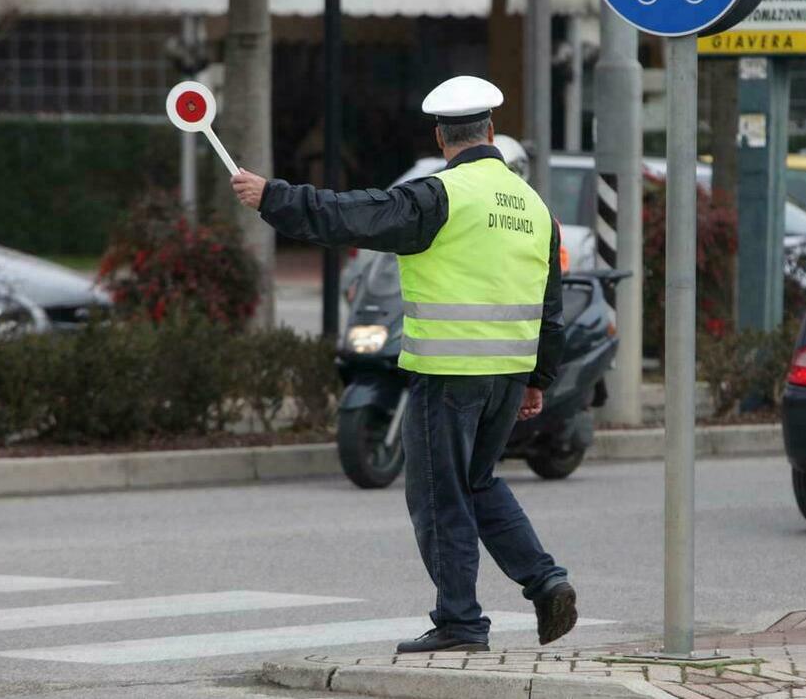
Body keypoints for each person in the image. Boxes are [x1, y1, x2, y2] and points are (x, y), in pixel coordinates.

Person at [230, 75, 576, 654]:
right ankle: (546, 582)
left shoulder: (440, 196)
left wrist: (273, 197)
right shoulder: (535, 208)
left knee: (440, 496)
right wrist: (537, 380)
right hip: (508, 376)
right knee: (478, 482)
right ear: (491, 131)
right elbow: (551, 307)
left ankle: (461, 623)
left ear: (441, 138)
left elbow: (354, 214)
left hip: (449, 374)